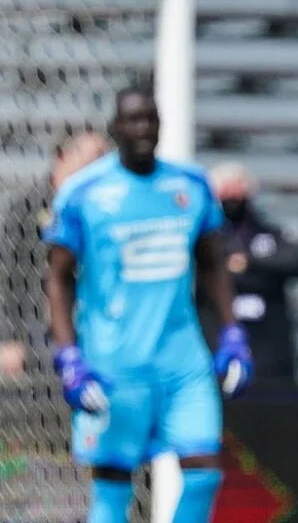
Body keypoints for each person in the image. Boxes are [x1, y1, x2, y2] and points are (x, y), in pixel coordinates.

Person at [44, 86, 254, 523]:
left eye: (150, 119)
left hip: (183, 359)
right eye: (133, 120)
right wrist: (68, 354)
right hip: (115, 362)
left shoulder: (191, 184)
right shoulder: (83, 193)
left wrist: (232, 331)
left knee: (204, 472)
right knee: (114, 485)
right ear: (116, 127)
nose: (143, 129)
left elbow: (212, 263)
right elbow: (59, 278)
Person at [0, 130, 110, 378]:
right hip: (35, 334)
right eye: (93, 156)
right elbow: (9, 275)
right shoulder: (28, 206)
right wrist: (10, 337)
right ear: (62, 156)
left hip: (88, 329)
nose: (98, 167)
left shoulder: (99, 209)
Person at [199, 162, 298, 388]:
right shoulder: (205, 237)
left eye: (237, 191)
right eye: (226, 192)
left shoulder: (268, 232)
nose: (232, 198)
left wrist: (249, 263)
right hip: (217, 340)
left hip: (270, 348)